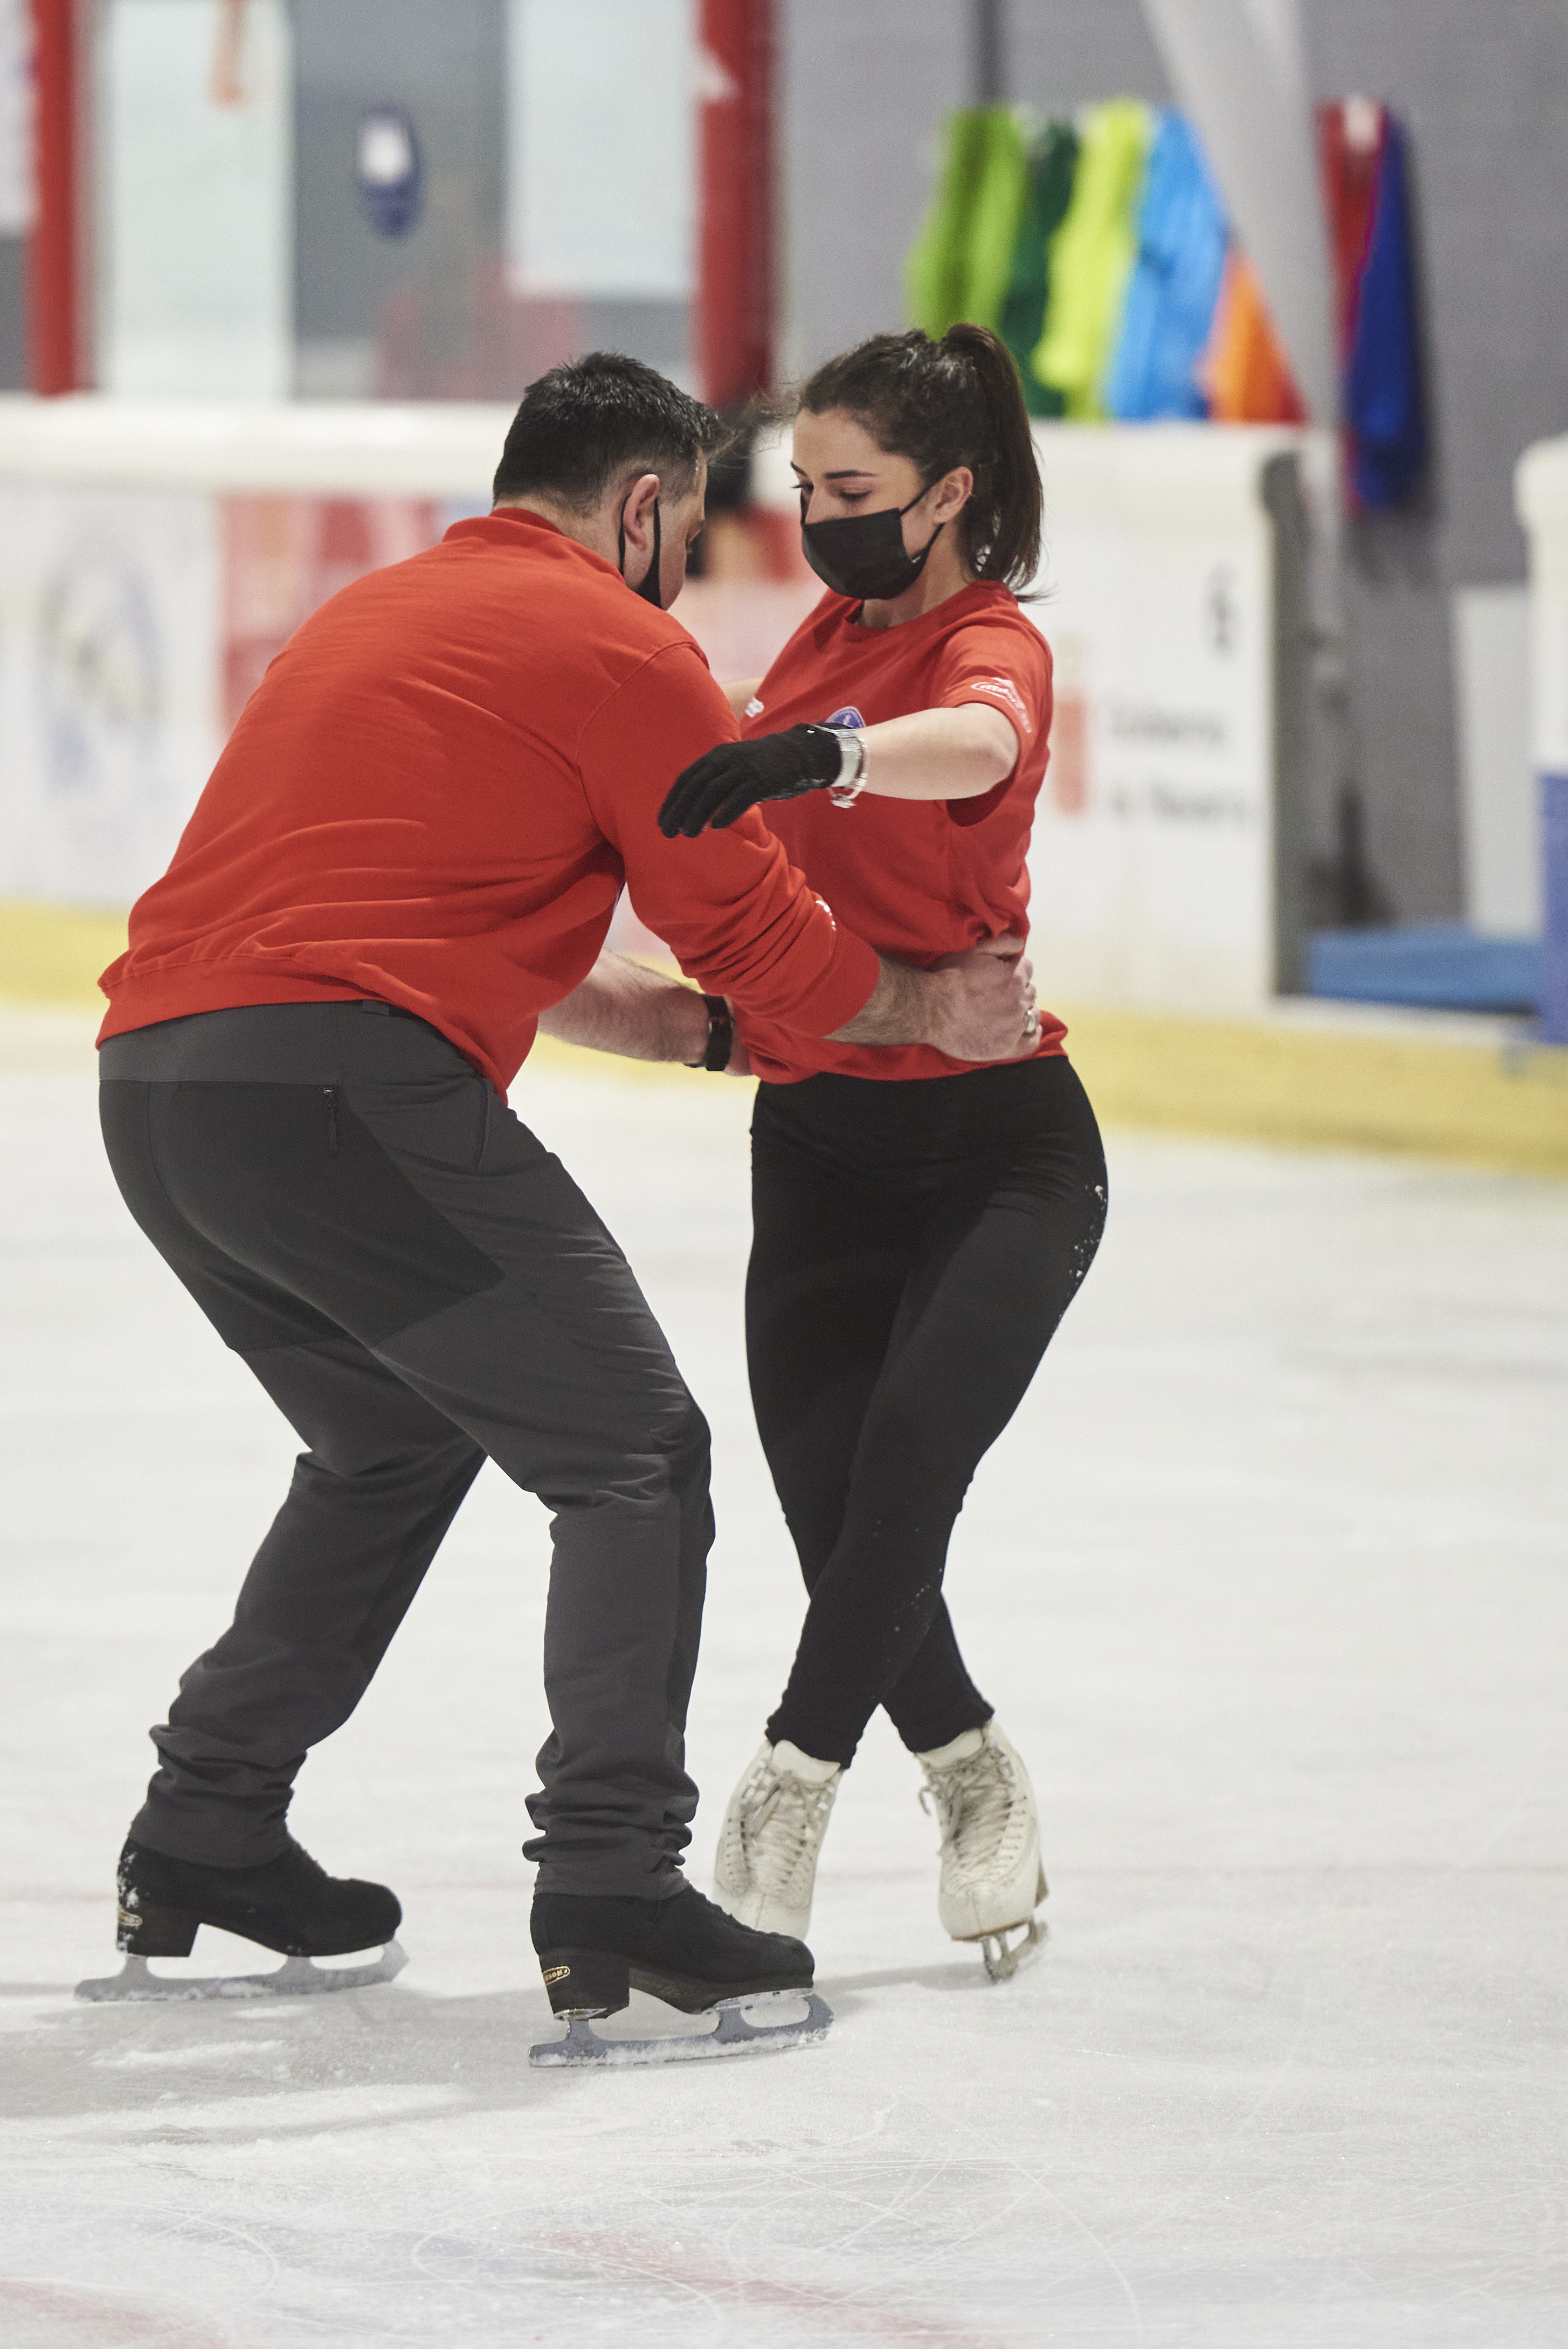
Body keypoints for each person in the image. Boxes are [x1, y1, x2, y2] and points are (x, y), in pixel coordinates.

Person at [89, 352, 1034, 2051]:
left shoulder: (379, 612)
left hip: (160, 1089)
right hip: (337, 1091)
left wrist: (704, 1038)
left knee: (391, 1437)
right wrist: (917, 1010)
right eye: (698, 530)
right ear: (646, 506)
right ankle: (609, 1876)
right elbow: (754, 939)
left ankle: (206, 1824)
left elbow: (505, 940)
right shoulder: (619, 645)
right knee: (633, 1453)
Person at [577, 325, 1107, 1979]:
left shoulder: (983, 642)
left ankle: (788, 1780)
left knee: (910, 1465)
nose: (816, 516)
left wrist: (833, 754)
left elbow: (988, 747)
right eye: (801, 486)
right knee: (836, 1511)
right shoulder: (817, 638)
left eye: (853, 489)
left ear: (950, 495)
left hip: (1002, 1154)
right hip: (813, 1140)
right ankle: (971, 1766)